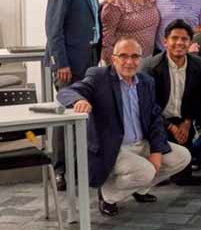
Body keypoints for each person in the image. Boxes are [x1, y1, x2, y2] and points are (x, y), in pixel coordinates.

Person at [57, 37, 190, 217]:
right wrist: (79, 100)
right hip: (114, 147)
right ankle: (108, 195)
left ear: (141, 59)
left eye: (135, 56)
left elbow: (155, 119)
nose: (129, 62)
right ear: (114, 59)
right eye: (124, 56)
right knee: (146, 171)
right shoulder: (99, 76)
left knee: (182, 157)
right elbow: (66, 92)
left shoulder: (145, 82)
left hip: (140, 143)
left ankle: (139, 188)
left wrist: (157, 152)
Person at [139, 20, 201, 185]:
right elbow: (148, 105)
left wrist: (187, 122)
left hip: (183, 120)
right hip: (157, 121)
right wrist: (170, 127)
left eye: (184, 39)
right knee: (154, 176)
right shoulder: (150, 66)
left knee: (182, 176)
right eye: (174, 38)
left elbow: (199, 98)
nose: (179, 43)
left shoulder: (198, 65)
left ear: (190, 42)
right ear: (165, 41)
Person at [45, 0, 106, 87]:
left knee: (85, 105)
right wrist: (61, 63)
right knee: (72, 106)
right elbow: (53, 28)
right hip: (69, 64)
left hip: (89, 59)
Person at [100, 0, 160, 64]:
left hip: (150, 58)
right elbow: (107, 38)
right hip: (126, 62)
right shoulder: (114, 2)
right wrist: (112, 66)